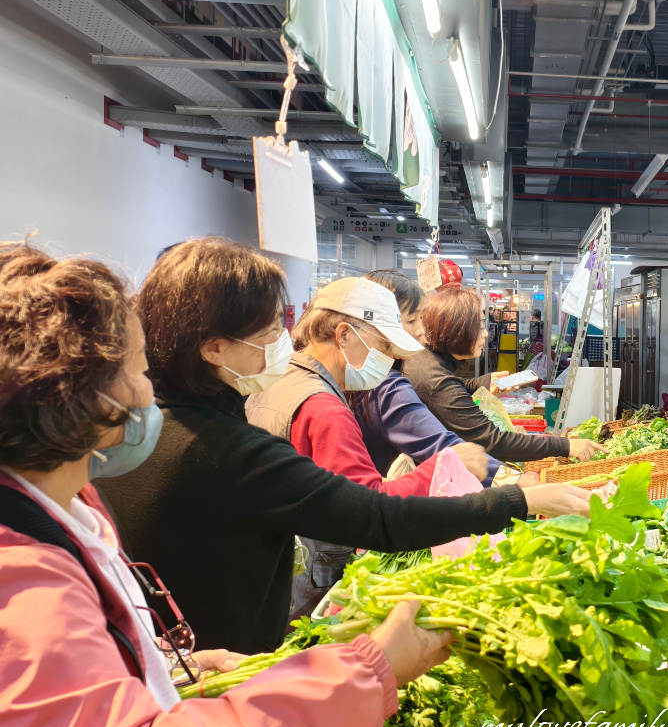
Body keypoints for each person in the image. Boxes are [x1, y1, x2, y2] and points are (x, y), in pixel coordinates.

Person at [0, 241, 452, 727]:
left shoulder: (68, 509)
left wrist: (162, 664)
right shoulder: (25, 582)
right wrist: (368, 670)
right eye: (138, 370)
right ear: (84, 399)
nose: (148, 391)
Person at [98, 238, 590, 655]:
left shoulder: (153, 429)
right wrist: (516, 500)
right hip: (223, 657)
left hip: (179, 648)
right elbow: (377, 516)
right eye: (268, 331)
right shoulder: (235, 446)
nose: (281, 341)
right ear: (213, 347)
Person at [245, 276, 492, 618]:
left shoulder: (282, 379)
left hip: (268, 566)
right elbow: (366, 509)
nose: (389, 358)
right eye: (385, 346)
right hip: (301, 581)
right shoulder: (324, 409)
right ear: (344, 334)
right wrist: (444, 466)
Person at [405, 286, 603, 463]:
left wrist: (483, 383)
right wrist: (566, 446)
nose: (485, 334)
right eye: (480, 326)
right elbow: (494, 441)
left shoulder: (426, 361)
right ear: (458, 330)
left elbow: (452, 386)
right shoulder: (435, 381)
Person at [351, 270, 502, 484]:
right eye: (412, 320)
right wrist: (513, 481)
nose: (422, 331)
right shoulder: (389, 383)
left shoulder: (374, 375)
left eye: (421, 319)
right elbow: (442, 445)